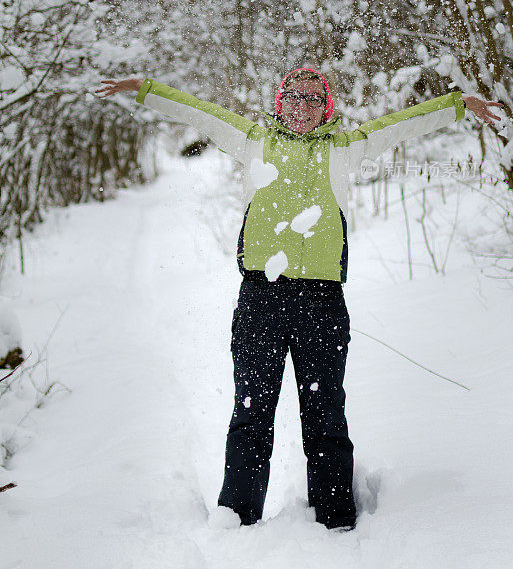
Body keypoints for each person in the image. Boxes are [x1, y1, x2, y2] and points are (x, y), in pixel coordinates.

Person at [95, 69, 502, 531]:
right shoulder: (252, 140)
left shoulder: (343, 148)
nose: (303, 107)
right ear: (279, 102)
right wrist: (147, 89)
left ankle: (335, 520)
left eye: (313, 99)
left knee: (326, 414)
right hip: (260, 301)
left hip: (322, 304)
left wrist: (458, 105)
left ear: (326, 107)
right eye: (294, 97)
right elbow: (197, 111)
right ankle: (238, 518)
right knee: (251, 413)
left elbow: (400, 123)